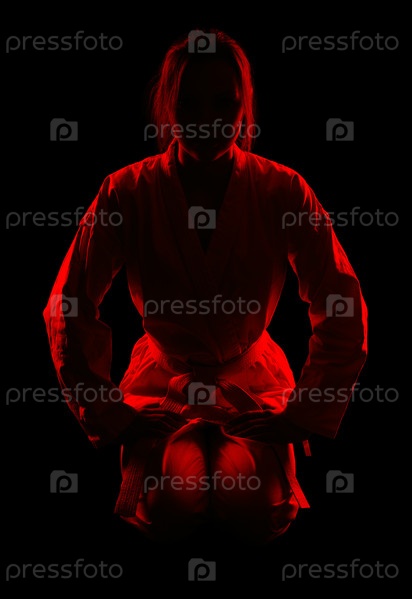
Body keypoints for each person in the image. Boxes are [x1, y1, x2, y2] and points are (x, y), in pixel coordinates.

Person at [43, 28, 368, 546]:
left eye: (224, 103)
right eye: (189, 103)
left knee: (255, 511)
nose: (207, 119)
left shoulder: (281, 189)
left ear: (244, 108)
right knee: (170, 508)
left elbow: (342, 302)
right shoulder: (127, 191)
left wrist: (305, 413)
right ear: (167, 106)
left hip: (250, 380)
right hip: (163, 381)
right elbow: (69, 304)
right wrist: (111, 413)